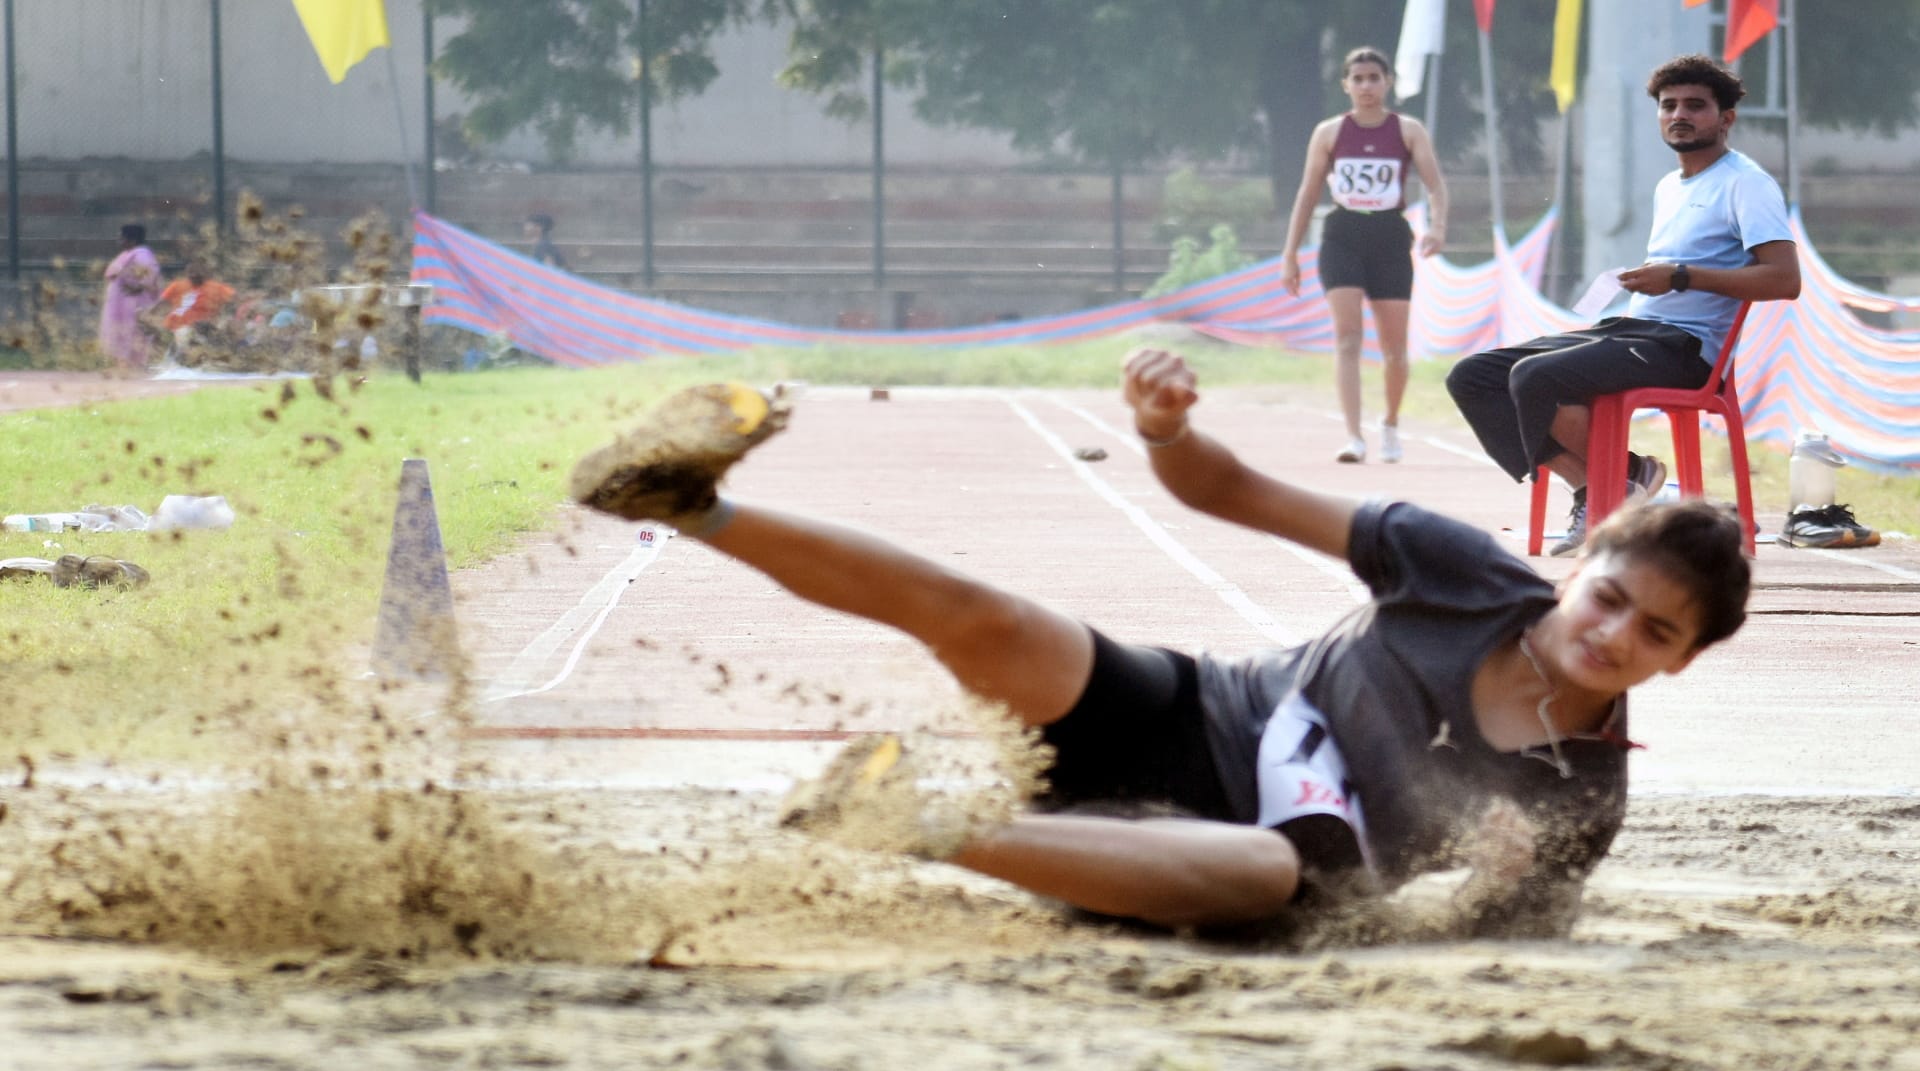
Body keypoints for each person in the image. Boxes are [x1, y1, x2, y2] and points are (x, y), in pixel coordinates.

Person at [568, 353, 1752, 936]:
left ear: (1680, 661)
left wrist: (1490, 881)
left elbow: (1500, 939)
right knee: (998, 622)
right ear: (1576, 568)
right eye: (1608, 598)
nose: (1612, 636)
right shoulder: (1455, 571)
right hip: (1196, 714)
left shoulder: (1581, 796)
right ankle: (688, 502)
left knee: (1271, 872)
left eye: (1654, 631)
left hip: (1227, 865)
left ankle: (912, 820)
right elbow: (1228, 491)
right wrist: (1167, 431)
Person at [1446, 54, 1801, 556]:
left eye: (1695, 106)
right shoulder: (1669, 186)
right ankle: (1606, 482)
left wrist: (1680, 275)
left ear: (1726, 118)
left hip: (1688, 350)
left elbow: (1785, 280)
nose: (1679, 115)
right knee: (1473, 376)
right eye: (1669, 105)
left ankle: (1614, 486)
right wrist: (1646, 277)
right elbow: (1679, 268)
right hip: (1634, 330)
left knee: (1535, 377)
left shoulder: (1747, 183)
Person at [1278, 46, 1449, 466]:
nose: (1366, 86)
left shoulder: (1407, 130)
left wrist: (1438, 228)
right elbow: (1307, 193)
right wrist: (1290, 253)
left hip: (1389, 237)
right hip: (1343, 236)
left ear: (1387, 82)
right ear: (1345, 85)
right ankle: (1353, 436)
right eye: (1358, 79)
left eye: (1374, 78)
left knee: (1394, 348)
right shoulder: (1329, 133)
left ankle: (1389, 422)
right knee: (1348, 338)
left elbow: (1435, 186)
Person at [98, 223, 162, 373]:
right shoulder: (127, 254)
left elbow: (150, 274)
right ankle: (122, 364)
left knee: (132, 331)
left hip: (132, 303)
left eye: (122, 238)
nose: (119, 241)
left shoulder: (142, 254)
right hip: (120, 303)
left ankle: (131, 365)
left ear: (132, 240)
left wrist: (139, 286)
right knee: (120, 331)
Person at [155, 262, 237, 366]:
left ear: (204, 276)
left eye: (198, 277)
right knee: (183, 337)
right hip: (178, 326)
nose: (195, 280)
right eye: (192, 277)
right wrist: (151, 313)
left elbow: (234, 298)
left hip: (205, 327)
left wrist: (227, 316)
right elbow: (161, 301)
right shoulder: (177, 286)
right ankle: (178, 360)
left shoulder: (216, 287)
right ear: (187, 275)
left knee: (207, 344)